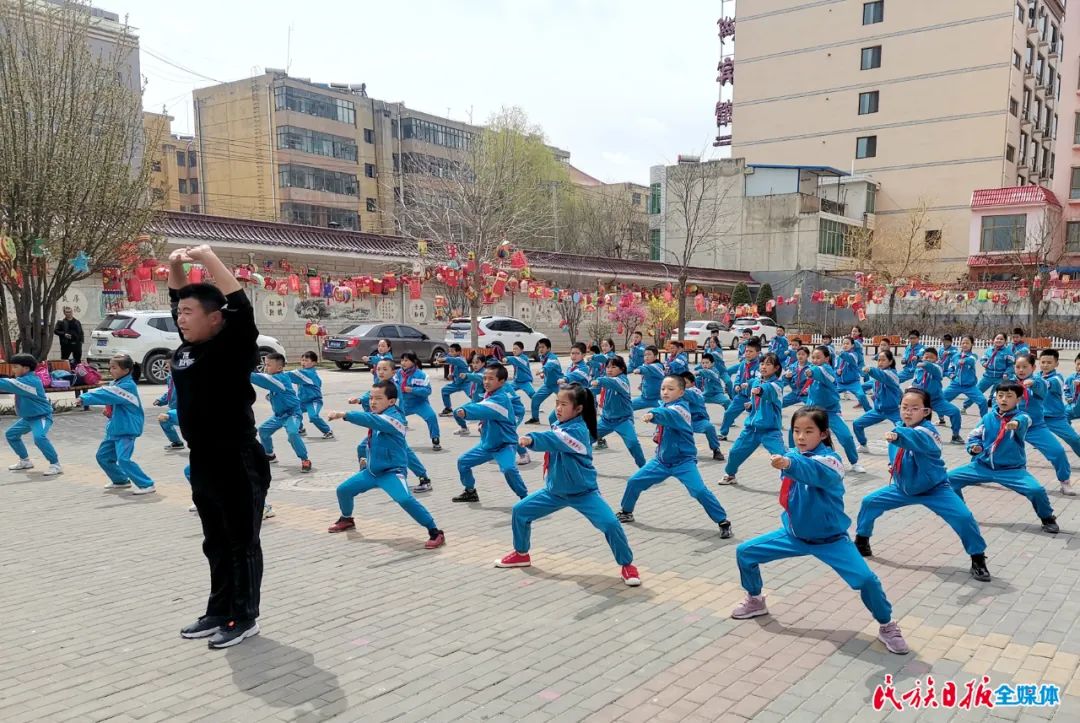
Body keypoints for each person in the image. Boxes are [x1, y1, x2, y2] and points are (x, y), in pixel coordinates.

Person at [730, 407, 910, 656]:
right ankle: (755, 599)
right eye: (796, 431)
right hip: (794, 535)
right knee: (745, 552)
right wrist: (788, 460)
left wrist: (788, 463)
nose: (801, 437)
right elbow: (796, 468)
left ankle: (887, 625)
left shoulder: (831, 462)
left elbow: (813, 471)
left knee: (867, 580)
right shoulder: (793, 454)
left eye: (808, 431)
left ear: (824, 434)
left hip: (830, 540)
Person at [168, 244, 270, 649]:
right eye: (179, 312)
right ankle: (218, 610)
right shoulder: (188, 348)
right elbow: (178, 295)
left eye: (189, 313)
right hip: (203, 459)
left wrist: (208, 258)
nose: (180, 318)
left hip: (237, 458)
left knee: (241, 542)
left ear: (215, 319)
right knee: (215, 542)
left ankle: (243, 617)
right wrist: (175, 264)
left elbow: (241, 307)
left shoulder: (232, 345)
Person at [497, 383, 640, 586]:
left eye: (564, 404)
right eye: (557, 403)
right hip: (555, 491)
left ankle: (627, 565)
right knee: (520, 511)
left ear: (579, 408)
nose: (558, 408)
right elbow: (555, 437)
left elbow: (555, 439)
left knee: (610, 524)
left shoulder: (578, 431)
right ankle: (521, 554)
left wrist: (531, 439)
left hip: (584, 493)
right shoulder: (560, 424)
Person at [854, 389, 990, 582]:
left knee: (964, 517)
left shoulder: (929, 432)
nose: (908, 412)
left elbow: (916, 439)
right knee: (870, 502)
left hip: (935, 489)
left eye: (914, 408)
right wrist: (893, 466)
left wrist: (897, 435)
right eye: (904, 407)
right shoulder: (898, 429)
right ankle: (862, 541)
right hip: (903, 488)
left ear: (926, 411)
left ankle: (978, 558)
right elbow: (897, 453)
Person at [325, 382, 445, 548]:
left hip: (391, 472)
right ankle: (347, 519)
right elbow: (368, 442)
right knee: (343, 490)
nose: (373, 402)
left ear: (391, 401)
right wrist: (364, 459)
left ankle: (435, 532)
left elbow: (372, 420)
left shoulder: (395, 419)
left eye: (378, 398)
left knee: (404, 499)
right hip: (372, 472)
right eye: (371, 398)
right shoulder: (379, 413)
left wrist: (344, 414)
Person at [616, 375, 734, 537]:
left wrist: (652, 414)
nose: (665, 392)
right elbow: (663, 411)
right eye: (663, 388)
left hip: (683, 462)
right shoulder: (665, 404)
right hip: (661, 461)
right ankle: (626, 512)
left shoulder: (681, 409)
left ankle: (723, 521)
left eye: (671, 389)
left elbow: (666, 414)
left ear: (681, 393)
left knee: (699, 491)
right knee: (634, 481)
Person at [949, 382, 1059, 534]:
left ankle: (1047, 518)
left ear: (1018, 399)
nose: (1004, 399)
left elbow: (1025, 421)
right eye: (1000, 395)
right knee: (948, 479)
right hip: (982, 466)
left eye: (1009, 396)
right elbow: (974, 436)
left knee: (1036, 490)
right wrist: (974, 447)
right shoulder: (988, 417)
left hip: (1011, 470)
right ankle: (963, 514)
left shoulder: (1022, 416)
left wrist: (1015, 424)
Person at [349, 360, 433, 493]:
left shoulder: (393, 387)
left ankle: (424, 479)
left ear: (393, 372)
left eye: (385, 369)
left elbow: (386, 403)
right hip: (382, 422)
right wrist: (359, 400)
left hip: (394, 424)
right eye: (378, 369)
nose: (381, 372)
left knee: (405, 451)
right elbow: (371, 394)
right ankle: (368, 475)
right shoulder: (382, 385)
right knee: (363, 447)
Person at [453, 363, 529, 503]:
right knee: (463, 462)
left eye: (491, 379)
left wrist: (466, 411)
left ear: (501, 381)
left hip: (504, 445)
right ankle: (470, 492)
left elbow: (482, 409)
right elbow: (481, 405)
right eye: (485, 378)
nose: (486, 382)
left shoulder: (501, 398)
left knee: (509, 469)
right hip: (487, 444)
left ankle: (525, 498)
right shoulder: (488, 394)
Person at [81, 354, 155, 494]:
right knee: (103, 456)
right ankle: (120, 480)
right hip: (115, 428)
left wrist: (84, 398)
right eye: (110, 367)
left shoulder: (128, 386)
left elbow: (106, 394)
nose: (111, 370)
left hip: (127, 429)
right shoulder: (115, 383)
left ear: (126, 370)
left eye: (114, 367)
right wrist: (109, 411)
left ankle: (146, 484)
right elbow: (111, 397)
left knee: (123, 459)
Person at [1010, 353, 1073, 495]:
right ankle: (977, 471)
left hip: (1035, 427)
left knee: (1057, 451)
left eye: (1025, 367)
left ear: (1033, 368)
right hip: (1012, 426)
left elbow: (1043, 388)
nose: (1021, 370)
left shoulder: (1039, 381)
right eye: (1018, 367)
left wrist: (1033, 384)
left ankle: (1065, 481)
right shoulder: (1009, 382)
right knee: (988, 444)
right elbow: (998, 401)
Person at [720, 352, 785, 485]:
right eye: (762, 364)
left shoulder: (777, 384)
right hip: (751, 428)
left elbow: (768, 390)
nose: (763, 367)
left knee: (781, 457)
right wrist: (750, 405)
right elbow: (756, 399)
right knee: (735, 452)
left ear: (776, 368)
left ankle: (792, 482)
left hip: (770, 430)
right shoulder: (756, 381)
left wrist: (760, 391)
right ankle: (730, 475)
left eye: (768, 364)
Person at [804, 345, 863, 473]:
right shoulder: (811, 368)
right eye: (813, 357)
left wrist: (811, 372)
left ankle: (854, 462)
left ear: (826, 358)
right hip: (814, 412)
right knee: (802, 434)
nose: (815, 360)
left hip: (831, 412)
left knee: (846, 436)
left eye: (818, 357)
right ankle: (800, 460)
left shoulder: (827, 370)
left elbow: (819, 372)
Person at [1, 353, 62, 476]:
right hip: (28, 418)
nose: (13, 369)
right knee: (11, 434)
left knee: (39, 438)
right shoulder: (23, 380)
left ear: (26, 368)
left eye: (15, 367)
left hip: (42, 417)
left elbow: (7, 384)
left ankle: (55, 464)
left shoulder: (31, 381)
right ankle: (25, 461)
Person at [252, 353, 312, 473]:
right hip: (279, 416)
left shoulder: (280, 378)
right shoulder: (276, 378)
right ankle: (270, 455)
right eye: (265, 364)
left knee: (292, 433)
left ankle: (305, 459)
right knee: (263, 430)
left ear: (279, 368)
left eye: (268, 365)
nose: (265, 367)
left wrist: (243, 371)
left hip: (292, 414)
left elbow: (262, 379)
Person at [592, 356, 646, 467]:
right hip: (606, 420)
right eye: (607, 367)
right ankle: (582, 464)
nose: (609, 370)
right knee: (586, 438)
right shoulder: (607, 380)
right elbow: (594, 389)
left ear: (622, 368)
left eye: (613, 367)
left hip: (623, 421)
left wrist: (599, 380)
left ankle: (643, 467)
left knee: (633, 443)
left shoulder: (622, 380)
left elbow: (613, 382)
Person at [910, 348, 963, 445]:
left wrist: (925, 364)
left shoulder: (938, 367)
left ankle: (955, 435)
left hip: (937, 400)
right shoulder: (918, 370)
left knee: (955, 412)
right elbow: (915, 382)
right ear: (922, 357)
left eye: (931, 357)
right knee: (917, 420)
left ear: (936, 359)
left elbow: (933, 369)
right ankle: (914, 437)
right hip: (922, 401)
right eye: (926, 357)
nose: (928, 359)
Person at [393, 352, 442, 452]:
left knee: (431, 416)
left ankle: (435, 438)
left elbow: (428, 391)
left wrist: (412, 390)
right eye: (402, 360)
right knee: (392, 418)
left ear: (413, 361)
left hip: (420, 403)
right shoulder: (398, 373)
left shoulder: (421, 375)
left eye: (406, 360)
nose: (403, 363)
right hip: (404, 403)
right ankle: (394, 441)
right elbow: (393, 385)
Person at [853, 350, 902, 451]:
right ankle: (863, 445)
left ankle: (906, 449)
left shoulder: (891, 375)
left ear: (890, 361)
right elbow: (865, 385)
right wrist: (857, 390)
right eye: (879, 360)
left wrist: (870, 370)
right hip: (878, 411)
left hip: (894, 411)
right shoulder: (876, 378)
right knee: (857, 424)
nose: (880, 362)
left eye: (883, 360)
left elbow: (882, 376)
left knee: (903, 429)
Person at [1038, 349, 1080, 459]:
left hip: (1054, 417)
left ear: (1056, 364)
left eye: (1049, 362)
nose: (1045, 365)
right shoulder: (1035, 376)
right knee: (1011, 435)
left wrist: (1031, 382)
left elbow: (1045, 384)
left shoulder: (1058, 378)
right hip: (1036, 417)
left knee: (1074, 439)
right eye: (1043, 362)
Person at [718, 338, 761, 441]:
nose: (748, 353)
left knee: (756, 418)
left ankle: (759, 437)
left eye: (751, 351)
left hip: (754, 397)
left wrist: (749, 383)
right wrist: (737, 384)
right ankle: (723, 433)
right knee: (729, 413)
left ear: (758, 353)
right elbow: (738, 376)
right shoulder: (743, 364)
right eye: (746, 351)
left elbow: (759, 379)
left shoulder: (760, 365)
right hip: (741, 396)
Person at [680, 371, 725, 461]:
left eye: (686, 383)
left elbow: (690, 395)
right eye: (681, 383)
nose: (683, 385)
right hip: (683, 421)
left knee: (709, 427)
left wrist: (676, 389)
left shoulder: (695, 391)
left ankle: (716, 449)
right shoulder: (677, 392)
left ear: (692, 384)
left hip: (698, 420)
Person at [291, 351, 334, 440]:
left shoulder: (310, 373)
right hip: (302, 401)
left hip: (314, 401)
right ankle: (300, 429)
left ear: (314, 363)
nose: (303, 362)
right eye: (302, 360)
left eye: (306, 361)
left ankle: (327, 431)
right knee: (293, 412)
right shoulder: (302, 374)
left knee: (313, 416)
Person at [943, 335, 987, 417]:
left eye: (967, 343)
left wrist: (964, 360)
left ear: (972, 344)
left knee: (983, 401)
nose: (965, 345)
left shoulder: (973, 356)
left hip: (969, 386)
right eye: (963, 343)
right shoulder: (955, 356)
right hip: (955, 385)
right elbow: (950, 368)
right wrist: (951, 375)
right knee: (940, 400)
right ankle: (941, 419)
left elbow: (972, 360)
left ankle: (985, 421)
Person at [527, 339, 562, 423]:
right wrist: (543, 374)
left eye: (543, 347)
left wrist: (542, 370)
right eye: (539, 347)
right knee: (535, 398)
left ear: (548, 348)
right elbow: (546, 368)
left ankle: (564, 420)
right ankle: (535, 419)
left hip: (558, 384)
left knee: (564, 402)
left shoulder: (553, 358)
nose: (540, 349)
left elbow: (549, 365)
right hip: (548, 384)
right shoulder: (542, 357)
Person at [836, 337, 872, 412]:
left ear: (852, 345)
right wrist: (837, 372)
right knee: (830, 394)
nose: (845, 345)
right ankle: (834, 412)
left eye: (847, 343)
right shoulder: (839, 357)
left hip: (853, 382)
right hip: (840, 383)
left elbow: (850, 359)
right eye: (844, 343)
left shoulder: (854, 355)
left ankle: (869, 411)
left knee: (861, 395)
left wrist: (841, 354)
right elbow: (835, 368)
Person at [976, 333, 1014, 404]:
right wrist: (984, 363)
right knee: (977, 391)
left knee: (996, 395)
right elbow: (983, 359)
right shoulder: (989, 350)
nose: (999, 340)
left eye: (1001, 339)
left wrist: (1006, 373)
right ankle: (965, 406)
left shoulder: (1008, 352)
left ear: (1005, 341)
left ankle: (992, 404)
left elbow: (1011, 365)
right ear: (993, 340)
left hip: (1000, 377)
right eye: (997, 338)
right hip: (988, 376)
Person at [439, 344, 470, 415]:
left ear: (459, 352)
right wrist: (452, 375)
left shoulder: (461, 359)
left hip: (466, 383)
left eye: (452, 351)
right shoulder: (454, 361)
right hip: (457, 383)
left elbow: (453, 360)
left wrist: (444, 359)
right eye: (449, 351)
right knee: (444, 390)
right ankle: (448, 409)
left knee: (472, 395)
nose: (450, 353)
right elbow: (456, 370)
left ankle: (481, 407)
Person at [632, 346, 665, 410]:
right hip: (644, 398)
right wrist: (641, 384)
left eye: (649, 354)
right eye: (645, 355)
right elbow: (645, 377)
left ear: (655, 356)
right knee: (627, 407)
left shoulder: (658, 366)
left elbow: (647, 369)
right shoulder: (645, 365)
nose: (646, 357)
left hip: (658, 399)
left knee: (664, 412)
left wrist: (639, 369)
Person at [1066, 352, 1080, 421]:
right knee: (1063, 415)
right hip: (1073, 407)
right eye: (1078, 364)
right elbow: (1066, 388)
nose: (1079, 367)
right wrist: (1068, 397)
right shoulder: (1071, 378)